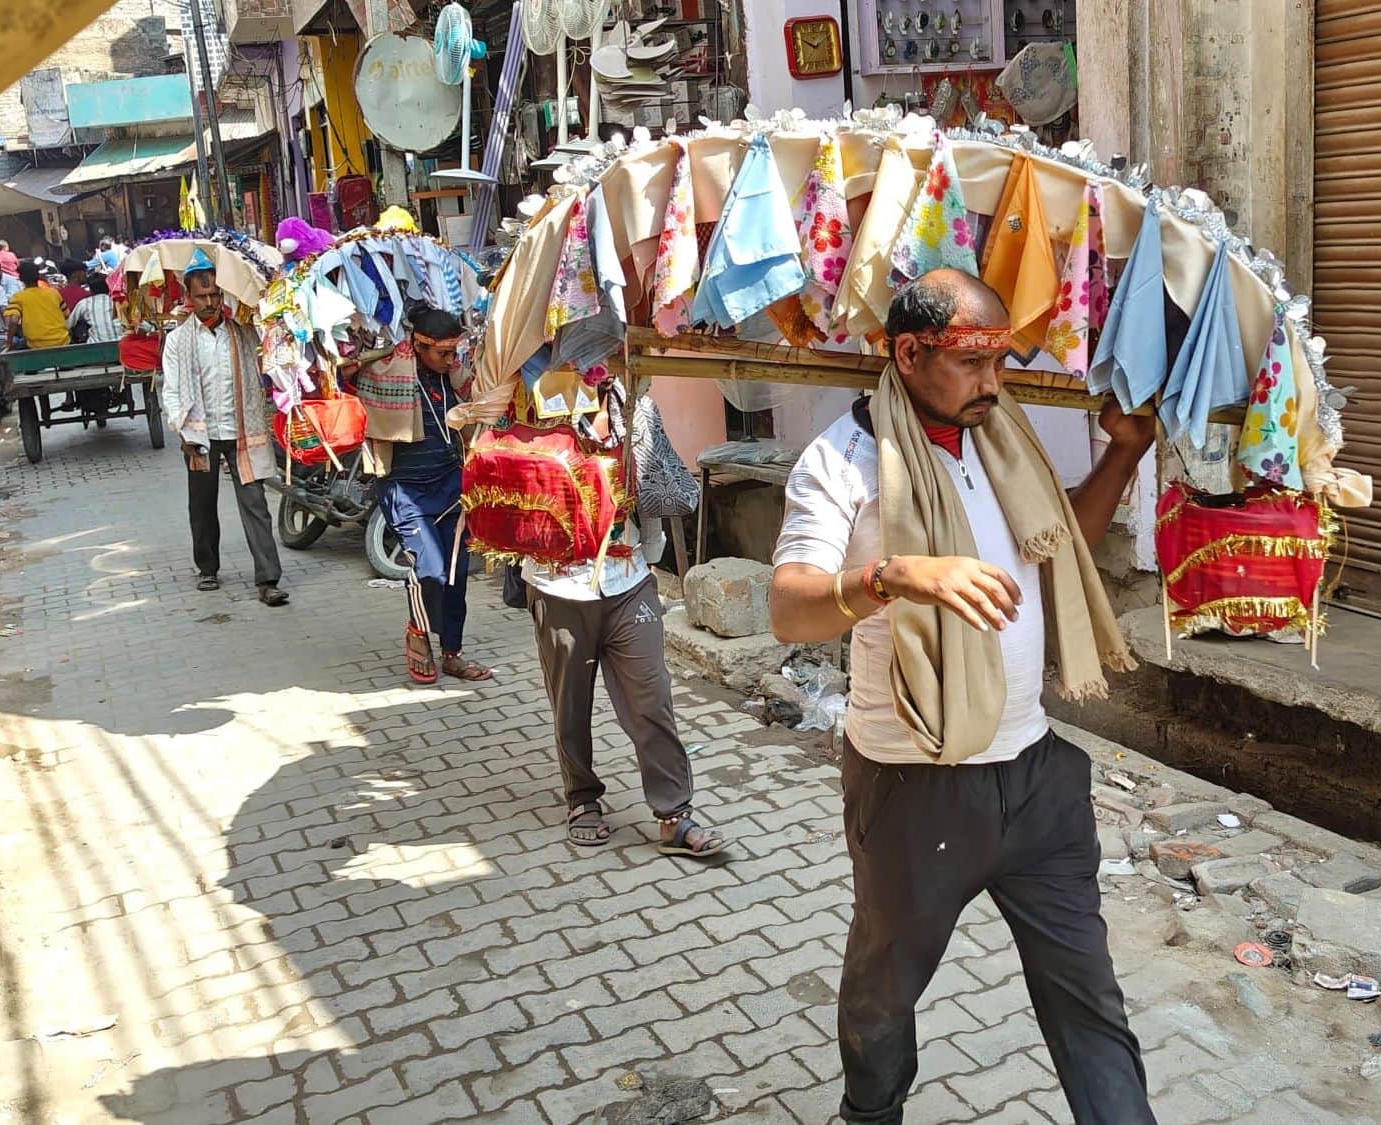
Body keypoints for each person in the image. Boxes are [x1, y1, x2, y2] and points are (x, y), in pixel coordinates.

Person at [770, 270, 1157, 1125]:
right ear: (909, 354)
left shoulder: (1001, 439)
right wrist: (892, 576)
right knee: (883, 990)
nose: (993, 381)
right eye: (971, 362)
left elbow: (1061, 544)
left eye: (1001, 361)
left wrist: (1124, 452)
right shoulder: (843, 460)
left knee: (1088, 998)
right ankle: (869, 1114)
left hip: (1036, 778)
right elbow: (789, 608)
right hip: (912, 786)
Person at [519, 381, 726, 859]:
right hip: (558, 583)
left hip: (628, 577)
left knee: (652, 698)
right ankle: (582, 798)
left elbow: (660, 486)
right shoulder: (536, 401)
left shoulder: (637, 408)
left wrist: (647, 543)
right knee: (570, 702)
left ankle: (674, 813)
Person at [350, 306, 492, 684]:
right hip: (404, 488)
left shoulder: (455, 378)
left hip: (450, 485)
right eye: (442, 353)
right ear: (418, 345)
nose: (450, 360)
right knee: (429, 569)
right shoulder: (384, 372)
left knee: (455, 573)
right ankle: (418, 633)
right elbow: (341, 377)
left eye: (453, 352)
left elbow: (481, 400)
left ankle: (452, 653)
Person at [160, 251, 288, 606]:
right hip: (199, 434)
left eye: (215, 294)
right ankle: (207, 569)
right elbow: (171, 390)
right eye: (201, 296)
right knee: (202, 505)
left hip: (242, 431)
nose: (209, 302)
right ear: (189, 297)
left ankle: (268, 580)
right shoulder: (178, 340)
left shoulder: (243, 333)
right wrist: (181, 429)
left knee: (255, 504)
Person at [5, 260, 70, 348]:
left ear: (20, 278)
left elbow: (13, 321)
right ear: (38, 275)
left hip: (36, 345)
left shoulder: (17, 297)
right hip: (62, 341)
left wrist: (9, 343)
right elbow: (66, 315)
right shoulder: (53, 293)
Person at [67, 275, 121, 343]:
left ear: (91, 290)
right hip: (121, 342)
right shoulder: (118, 300)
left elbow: (69, 324)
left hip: (96, 345)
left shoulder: (85, 303)